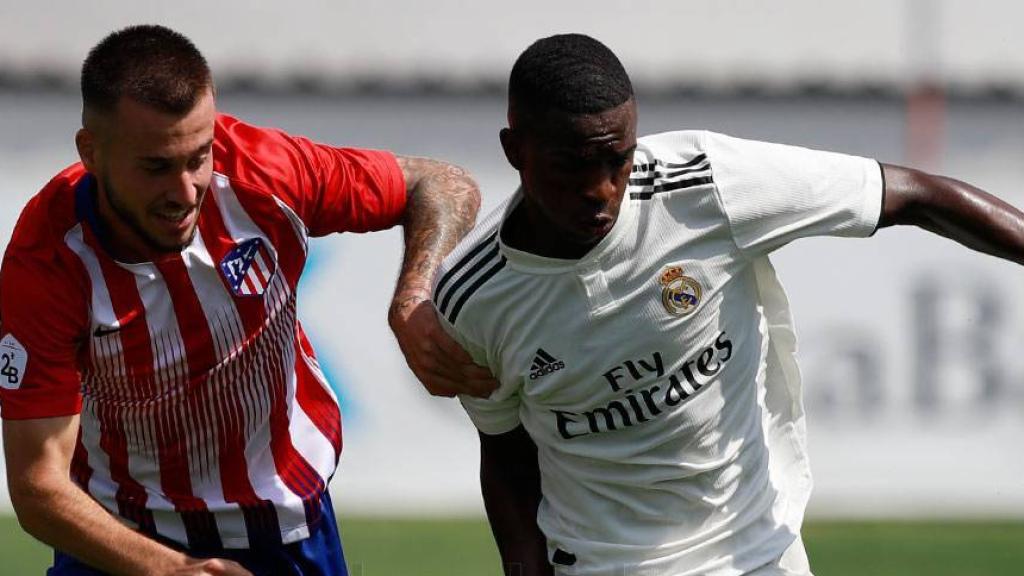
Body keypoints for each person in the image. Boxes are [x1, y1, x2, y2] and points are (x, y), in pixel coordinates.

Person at [433, 34, 1024, 576]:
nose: (601, 191)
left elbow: (916, 194)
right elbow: (506, 452)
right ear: (516, 149)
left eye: (618, 160)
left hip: (759, 549)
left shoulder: (706, 184)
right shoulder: (474, 297)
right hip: (603, 564)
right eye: (572, 167)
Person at [0, 25, 495, 576]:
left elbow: (441, 183)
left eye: (199, 156)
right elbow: (38, 486)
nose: (186, 191)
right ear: (91, 152)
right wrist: (172, 571)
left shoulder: (264, 170)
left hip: (282, 524)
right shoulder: (46, 262)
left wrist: (413, 297)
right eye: (156, 166)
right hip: (119, 536)